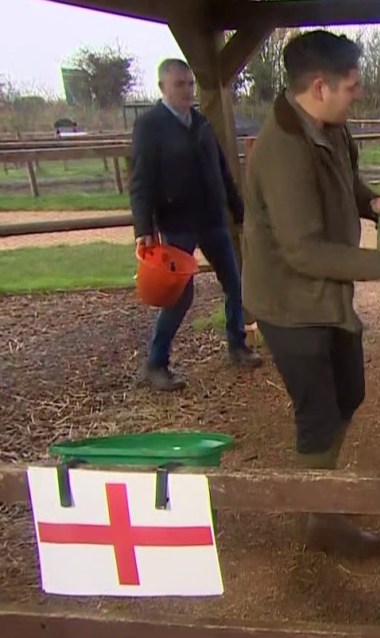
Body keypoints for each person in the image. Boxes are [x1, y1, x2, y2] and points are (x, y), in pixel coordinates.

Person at [241, 29, 380, 558]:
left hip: (325, 296)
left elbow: (348, 182)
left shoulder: (332, 129)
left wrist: (372, 203)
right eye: (352, 85)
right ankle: (320, 514)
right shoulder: (281, 148)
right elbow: (303, 251)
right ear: (319, 87)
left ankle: (322, 490)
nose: (359, 93)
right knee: (320, 411)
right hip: (289, 301)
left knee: (350, 391)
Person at [130, 58, 263, 392]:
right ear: (163, 87)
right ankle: (156, 363)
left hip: (212, 219)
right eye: (180, 85)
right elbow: (141, 180)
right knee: (180, 296)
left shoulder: (201, 122)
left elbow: (221, 168)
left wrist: (239, 209)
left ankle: (237, 344)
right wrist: (144, 227)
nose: (188, 90)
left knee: (235, 283)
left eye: (190, 84)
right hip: (177, 223)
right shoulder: (150, 125)